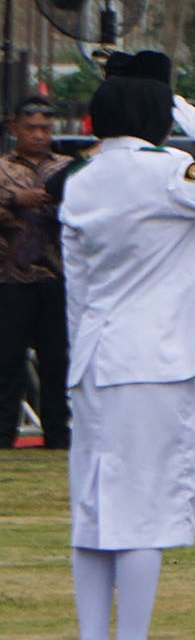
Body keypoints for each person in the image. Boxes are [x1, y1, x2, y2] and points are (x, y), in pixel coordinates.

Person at [61, 52, 195, 640]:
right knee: (146, 500)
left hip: (96, 355)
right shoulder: (168, 169)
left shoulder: (83, 178)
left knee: (96, 500)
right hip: (156, 357)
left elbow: (76, 286)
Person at [0, 100, 74, 450]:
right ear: (14, 127)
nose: (39, 135)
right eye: (32, 128)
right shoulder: (2, 168)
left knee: (57, 360)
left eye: (45, 128)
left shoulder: (68, 169)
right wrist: (17, 200)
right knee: (7, 360)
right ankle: (4, 434)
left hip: (58, 277)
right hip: (9, 277)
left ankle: (59, 435)